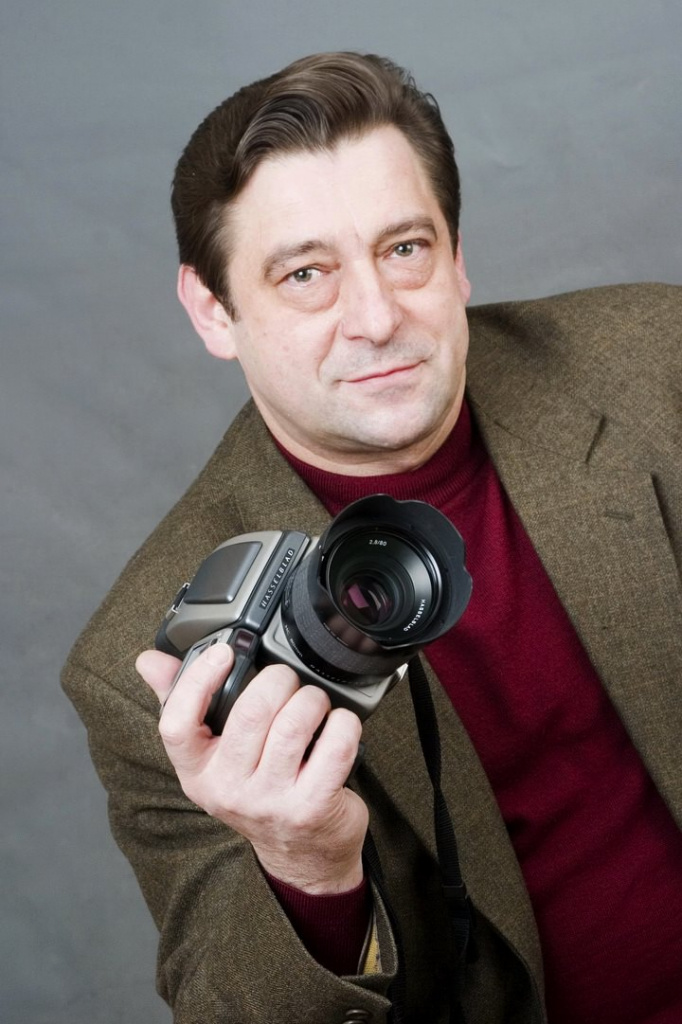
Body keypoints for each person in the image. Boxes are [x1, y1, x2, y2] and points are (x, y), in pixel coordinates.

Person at [61, 52, 682, 1024]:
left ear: (457, 255)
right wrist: (305, 863)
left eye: (404, 249)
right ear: (213, 310)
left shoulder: (657, 366)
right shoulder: (148, 664)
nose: (377, 317)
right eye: (305, 273)